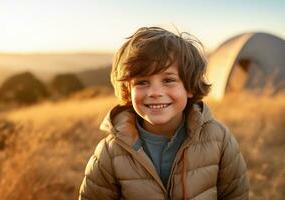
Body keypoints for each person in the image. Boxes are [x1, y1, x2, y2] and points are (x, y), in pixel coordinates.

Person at [78, 27, 249, 200]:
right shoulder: (110, 151)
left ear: (189, 87)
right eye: (142, 82)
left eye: (168, 80)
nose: (154, 92)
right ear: (128, 91)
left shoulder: (219, 139)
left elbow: (236, 195)